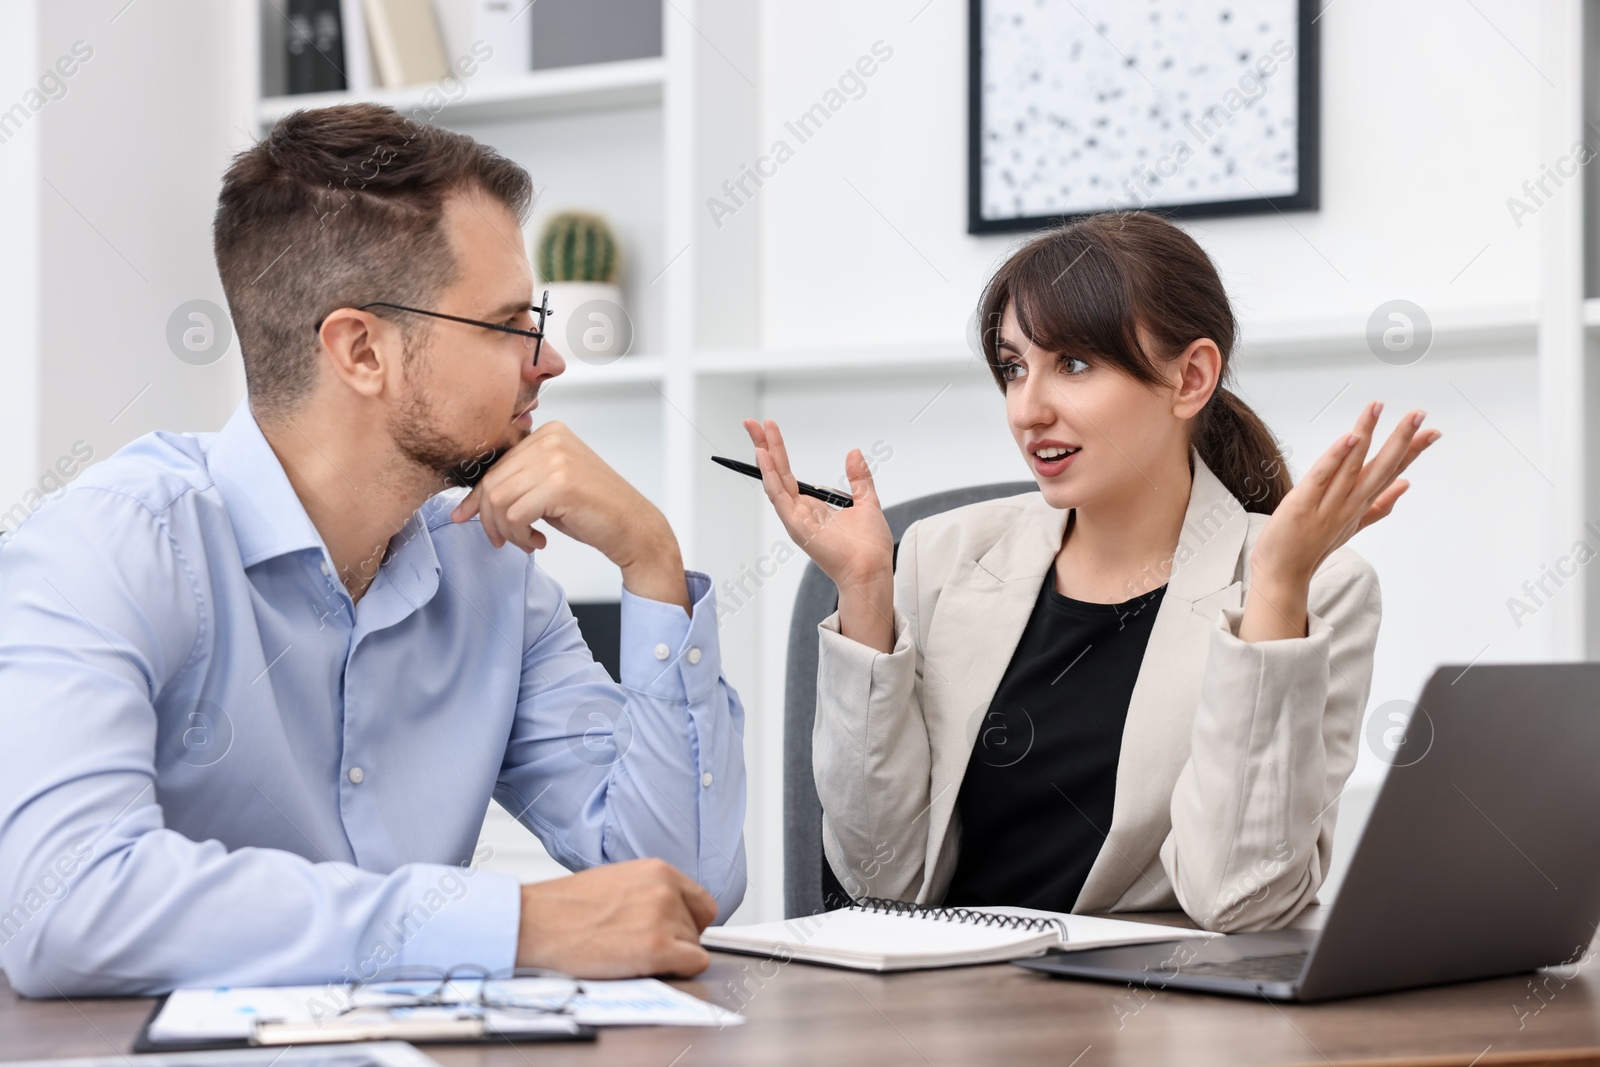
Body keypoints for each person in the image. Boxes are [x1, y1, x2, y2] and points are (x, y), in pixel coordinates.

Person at [0, 103, 745, 997]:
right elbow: (62, 904)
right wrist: (514, 924)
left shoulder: (493, 575)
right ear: (361, 350)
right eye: (511, 323)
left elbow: (679, 886)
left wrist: (653, 563)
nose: (548, 362)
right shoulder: (111, 547)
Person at [746, 211, 1439, 933]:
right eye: (1014, 367)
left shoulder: (1321, 588)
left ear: (1190, 377)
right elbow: (875, 877)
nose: (1027, 408)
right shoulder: (935, 556)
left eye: (1072, 364)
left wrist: (1275, 586)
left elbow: (1241, 896)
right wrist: (865, 588)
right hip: (945, 1014)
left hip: (1154, 1021)